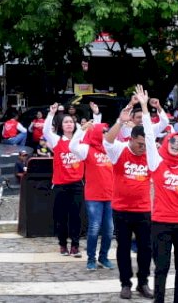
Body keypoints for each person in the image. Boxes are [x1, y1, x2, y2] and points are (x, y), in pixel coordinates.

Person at [136, 87, 178, 303]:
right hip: (161, 222)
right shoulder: (156, 162)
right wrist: (144, 107)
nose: (175, 145)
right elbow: (149, 135)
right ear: (166, 144)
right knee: (161, 267)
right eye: (172, 141)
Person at [105, 98, 154, 300]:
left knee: (145, 249)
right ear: (131, 139)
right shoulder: (120, 150)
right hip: (121, 209)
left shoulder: (150, 153)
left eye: (145, 144)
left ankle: (143, 282)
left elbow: (153, 131)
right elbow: (107, 140)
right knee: (123, 249)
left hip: (143, 209)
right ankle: (125, 283)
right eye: (140, 144)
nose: (143, 148)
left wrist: (144, 107)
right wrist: (120, 121)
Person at [72, 103, 115, 271]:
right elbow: (72, 146)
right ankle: (91, 258)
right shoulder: (86, 149)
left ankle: (104, 257)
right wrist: (82, 129)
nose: (106, 134)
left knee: (109, 229)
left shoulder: (111, 149)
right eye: (103, 132)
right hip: (94, 196)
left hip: (111, 195)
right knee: (94, 228)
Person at [43, 102, 87, 257]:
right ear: (61, 126)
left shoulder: (81, 140)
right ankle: (63, 244)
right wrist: (51, 114)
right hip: (60, 184)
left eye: (71, 122)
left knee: (76, 215)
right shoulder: (56, 140)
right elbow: (45, 131)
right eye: (66, 122)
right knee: (61, 216)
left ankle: (75, 245)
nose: (69, 124)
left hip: (77, 184)